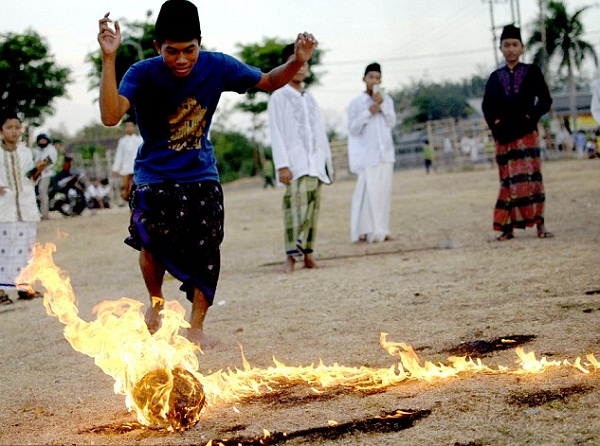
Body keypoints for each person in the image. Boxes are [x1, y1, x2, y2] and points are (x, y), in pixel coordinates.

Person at [97, 0, 318, 347]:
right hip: (154, 176)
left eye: (190, 50)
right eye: (172, 52)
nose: (182, 60)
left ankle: (196, 326)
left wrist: (297, 60)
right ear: (158, 47)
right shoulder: (141, 73)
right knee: (151, 243)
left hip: (201, 174)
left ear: (200, 44)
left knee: (207, 251)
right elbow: (111, 116)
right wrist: (109, 58)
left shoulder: (217, 66)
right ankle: (156, 302)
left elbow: (270, 81)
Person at [482, 24, 553, 241]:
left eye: (515, 45)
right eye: (507, 45)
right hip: (504, 137)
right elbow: (487, 106)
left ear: (521, 48)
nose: (511, 49)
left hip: (526, 134)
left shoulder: (532, 72)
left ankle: (540, 225)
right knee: (508, 182)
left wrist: (530, 117)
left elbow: (545, 100)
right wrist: (496, 125)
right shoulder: (495, 77)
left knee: (532, 179)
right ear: (501, 48)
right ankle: (507, 228)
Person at [268, 43, 334, 273]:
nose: (300, 68)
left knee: (312, 212)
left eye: (304, 63)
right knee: (294, 211)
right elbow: (275, 132)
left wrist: (326, 162)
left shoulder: (310, 98)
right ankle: (290, 257)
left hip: (315, 163)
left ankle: (308, 255)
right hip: (295, 165)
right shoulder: (279, 96)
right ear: (286, 65)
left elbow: (319, 132)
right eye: (295, 62)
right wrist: (282, 165)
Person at [0, 108, 46, 305]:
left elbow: (30, 179)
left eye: (17, 127)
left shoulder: (26, 152)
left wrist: (39, 170)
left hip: (25, 207)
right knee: (3, 249)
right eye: (9, 127)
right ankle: (1, 290)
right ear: (1, 130)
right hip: (4, 209)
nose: (14, 131)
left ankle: (24, 286)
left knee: (26, 249)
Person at [347, 62, 397, 243]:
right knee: (368, 194)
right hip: (368, 155)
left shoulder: (387, 100)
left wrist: (381, 105)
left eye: (377, 78)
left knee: (384, 193)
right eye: (371, 77)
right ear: (364, 79)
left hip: (386, 153)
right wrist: (369, 111)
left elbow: (392, 122)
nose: (374, 81)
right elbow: (353, 129)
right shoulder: (357, 103)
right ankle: (367, 231)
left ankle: (382, 230)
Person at [111, 118, 143, 203]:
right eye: (127, 126)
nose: (129, 128)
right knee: (126, 188)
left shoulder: (139, 140)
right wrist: (115, 168)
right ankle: (130, 203)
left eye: (130, 126)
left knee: (137, 187)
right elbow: (119, 155)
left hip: (137, 168)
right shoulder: (122, 141)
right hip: (126, 168)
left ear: (134, 127)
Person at [34, 133, 58, 220]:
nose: (42, 141)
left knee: (42, 192)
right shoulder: (38, 150)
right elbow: (36, 162)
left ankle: (45, 214)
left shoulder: (51, 149)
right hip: (38, 175)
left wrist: (40, 164)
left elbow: (48, 162)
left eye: (44, 140)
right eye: (40, 140)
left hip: (47, 174)